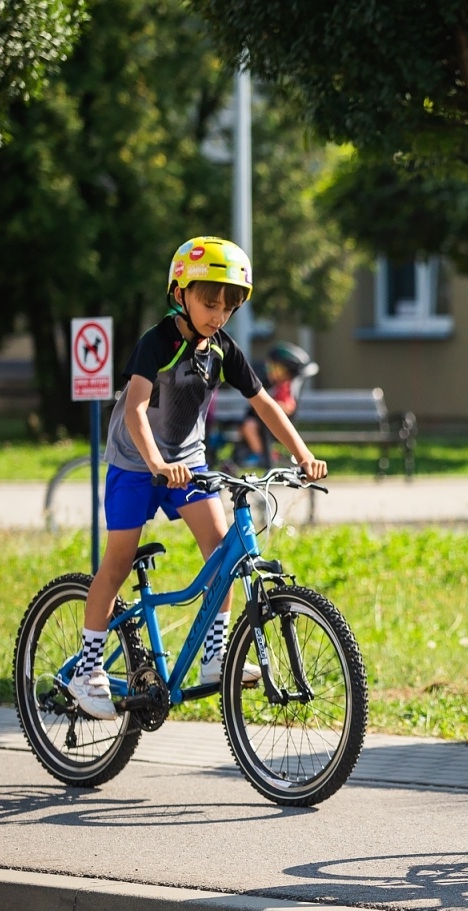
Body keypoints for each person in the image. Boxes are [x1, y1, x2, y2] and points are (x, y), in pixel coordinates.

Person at [65, 237, 328, 720]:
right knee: (117, 563)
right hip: (133, 463)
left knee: (225, 553)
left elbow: (264, 404)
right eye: (210, 303)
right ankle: (88, 669)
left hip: (187, 462)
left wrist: (304, 455)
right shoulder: (158, 343)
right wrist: (157, 465)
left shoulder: (221, 349)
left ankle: (214, 659)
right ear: (180, 293)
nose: (219, 315)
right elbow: (136, 410)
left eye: (228, 306)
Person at [239, 341, 318, 465]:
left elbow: (289, 407)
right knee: (244, 425)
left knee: (250, 426)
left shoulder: (285, 386)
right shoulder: (273, 385)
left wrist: (271, 406)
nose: (269, 371)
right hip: (262, 421)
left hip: (276, 423)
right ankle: (255, 454)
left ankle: (260, 455)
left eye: (272, 368)